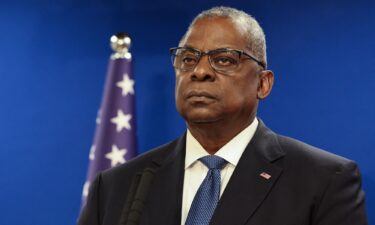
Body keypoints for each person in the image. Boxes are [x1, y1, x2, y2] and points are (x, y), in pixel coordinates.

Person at [78, 6, 368, 225]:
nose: (199, 71)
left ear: (263, 83)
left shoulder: (323, 180)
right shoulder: (115, 186)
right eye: (188, 59)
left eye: (224, 59)